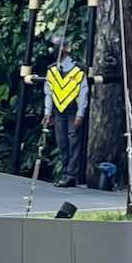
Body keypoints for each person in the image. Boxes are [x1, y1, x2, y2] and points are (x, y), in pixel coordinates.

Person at [42, 34, 88, 188]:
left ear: (67, 49)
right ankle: (65, 172)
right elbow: (49, 92)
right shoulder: (52, 70)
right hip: (59, 111)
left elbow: (83, 93)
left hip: (73, 111)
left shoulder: (79, 70)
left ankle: (70, 175)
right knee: (62, 142)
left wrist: (80, 114)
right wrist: (47, 113)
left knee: (73, 141)